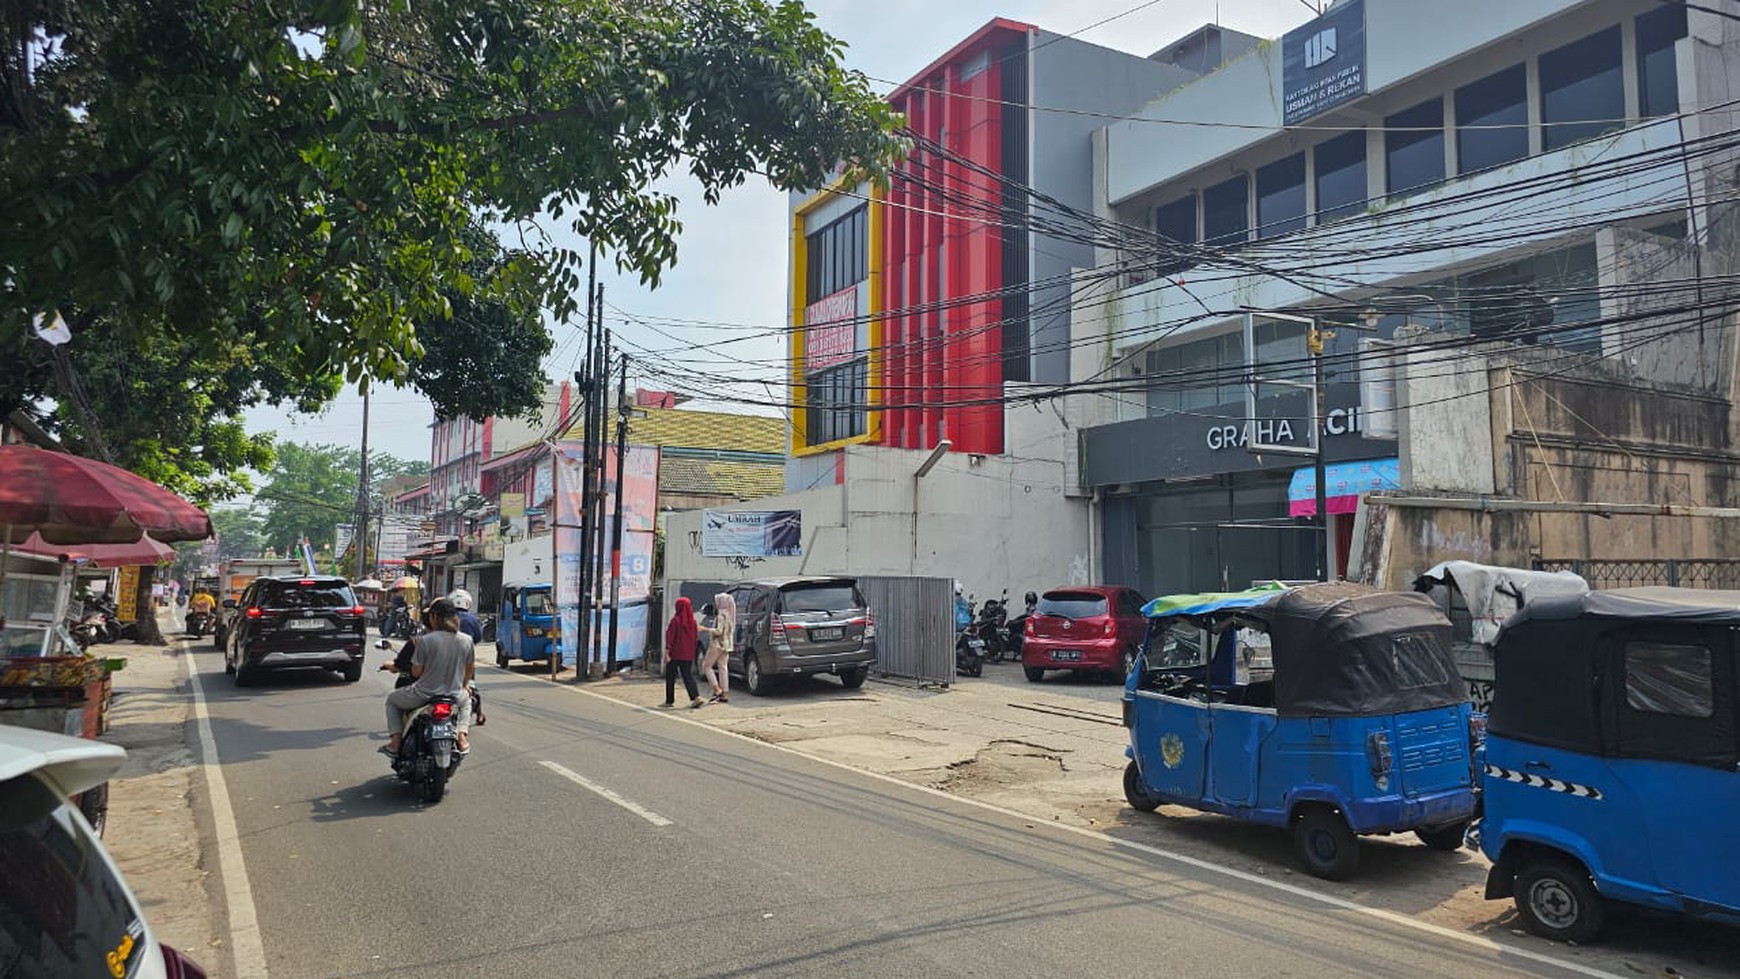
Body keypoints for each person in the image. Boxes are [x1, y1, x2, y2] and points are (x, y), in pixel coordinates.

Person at [382, 599, 475, 755]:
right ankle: (461, 737)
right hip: (454, 695)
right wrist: (464, 685)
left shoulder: (425, 641)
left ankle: (395, 742)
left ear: (434, 617)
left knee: (391, 700)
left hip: (424, 694)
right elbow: (470, 668)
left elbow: (416, 673)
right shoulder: (466, 640)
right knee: (466, 702)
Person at [661, 597, 705, 709]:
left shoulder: (675, 621)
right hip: (688, 654)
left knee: (670, 676)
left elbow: (670, 637)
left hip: (675, 653)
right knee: (687, 675)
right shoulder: (693, 622)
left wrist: (667, 651)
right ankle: (696, 697)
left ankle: (669, 700)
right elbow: (695, 638)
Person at [701, 591, 735, 703]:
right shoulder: (730, 614)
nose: (716, 604)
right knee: (723, 667)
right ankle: (725, 693)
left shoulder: (721, 615)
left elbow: (719, 631)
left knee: (706, 666)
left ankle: (716, 689)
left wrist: (705, 629)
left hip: (717, 644)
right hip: (726, 645)